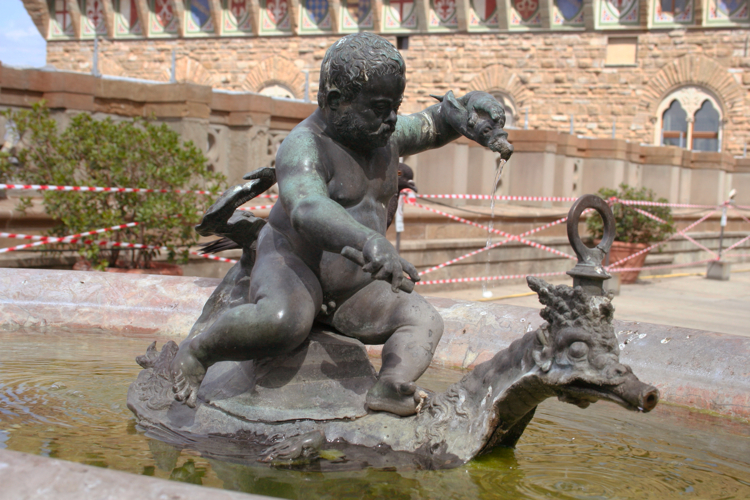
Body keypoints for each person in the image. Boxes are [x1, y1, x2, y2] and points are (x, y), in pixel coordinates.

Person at [170, 32, 513, 416]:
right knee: (283, 322)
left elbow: (434, 124)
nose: (392, 118)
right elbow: (307, 207)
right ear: (335, 102)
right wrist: (370, 241)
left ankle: (390, 386)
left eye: (396, 106)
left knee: (422, 319)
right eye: (380, 108)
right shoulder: (305, 144)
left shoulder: (387, 134)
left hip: (353, 285)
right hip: (294, 266)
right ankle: (199, 352)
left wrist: (470, 110)